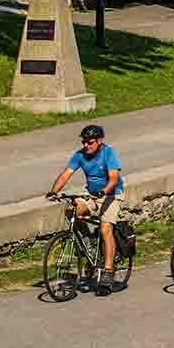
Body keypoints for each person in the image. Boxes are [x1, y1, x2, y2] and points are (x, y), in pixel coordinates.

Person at [46, 123, 125, 294]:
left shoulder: (108, 153)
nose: (86, 145)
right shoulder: (80, 155)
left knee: (105, 229)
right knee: (73, 211)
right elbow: (66, 173)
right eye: (84, 142)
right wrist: (54, 191)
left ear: (99, 141)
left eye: (90, 142)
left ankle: (107, 272)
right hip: (91, 193)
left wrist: (103, 191)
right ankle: (87, 243)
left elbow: (113, 178)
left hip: (111, 194)